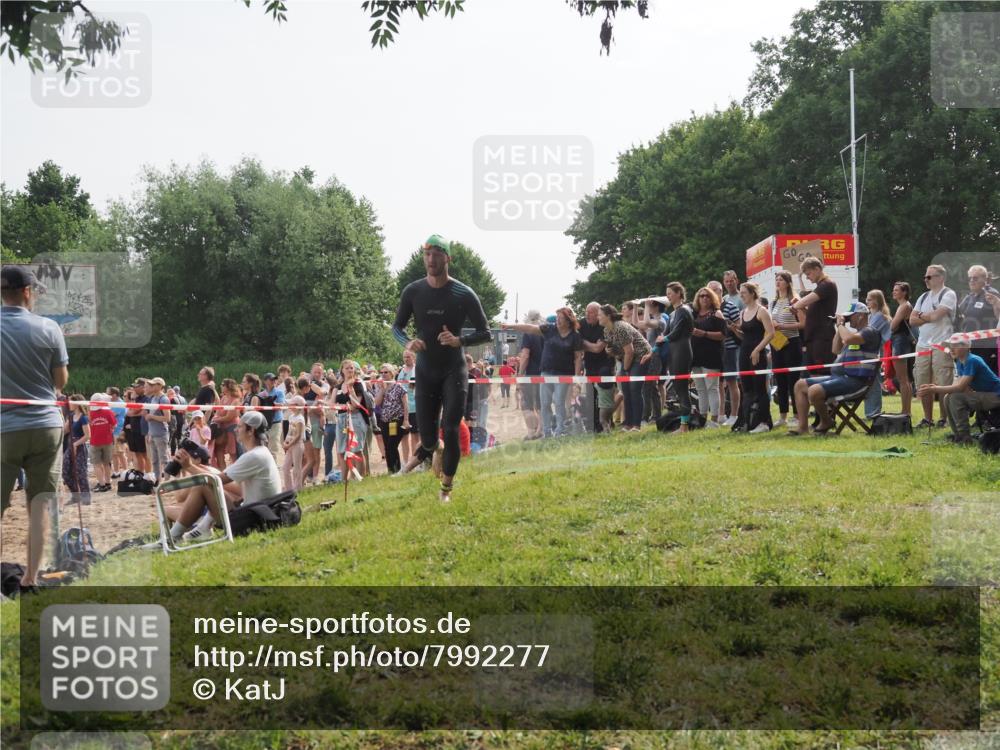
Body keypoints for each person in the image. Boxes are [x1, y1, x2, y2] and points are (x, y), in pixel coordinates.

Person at [393, 234, 491, 502]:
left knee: (450, 426)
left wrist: (460, 340)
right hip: (425, 371)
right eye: (427, 254)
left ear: (448, 258)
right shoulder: (413, 291)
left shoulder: (463, 293)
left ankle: (446, 489)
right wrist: (408, 341)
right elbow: (397, 327)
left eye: (437, 254)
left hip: (453, 369)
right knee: (427, 438)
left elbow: (486, 333)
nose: (431, 259)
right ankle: (435, 450)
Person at [1, 266, 69, 587]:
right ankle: (31, 579)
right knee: (39, 505)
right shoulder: (49, 327)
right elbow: (60, 381)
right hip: (45, 424)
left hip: (4, 427)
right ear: (27, 292)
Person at [166, 411, 282, 542]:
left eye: (240, 426)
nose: (236, 429)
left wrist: (189, 467)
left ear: (251, 431)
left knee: (204, 485)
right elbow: (229, 485)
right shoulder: (261, 452)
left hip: (253, 519)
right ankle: (202, 528)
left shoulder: (253, 456)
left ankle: (173, 537)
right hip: (262, 512)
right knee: (215, 487)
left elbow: (216, 480)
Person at [791, 302, 881, 435]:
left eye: (850, 316)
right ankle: (802, 427)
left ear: (861, 316)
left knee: (814, 391)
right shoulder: (855, 334)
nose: (848, 319)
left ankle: (826, 421)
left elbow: (849, 338)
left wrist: (840, 324)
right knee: (800, 385)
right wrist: (840, 327)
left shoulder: (870, 332)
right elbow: (835, 349)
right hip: (840, 377)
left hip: (856, 381)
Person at [502, 307, 583, 439]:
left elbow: (578, 357)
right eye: (557, 318)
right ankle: (547, 432)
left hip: (564, 374)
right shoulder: (549, 329)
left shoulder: (575, 336)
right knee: (544, 404)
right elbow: (530, 328)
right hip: (546, 373)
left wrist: (576, 377)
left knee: (559, 402)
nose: (557, 321)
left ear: (568, 321)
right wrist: (511, 325)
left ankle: (560, 430)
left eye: (561, 318)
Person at [921, 336, 1000, 445]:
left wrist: (934, 389)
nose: (952, 349)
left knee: (956, 397)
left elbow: (960, 387)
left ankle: (965, 438)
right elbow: (958, 386)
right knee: (948, 397)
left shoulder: (972, 360)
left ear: (967, 346)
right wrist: (935, 387)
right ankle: (958, 435)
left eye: (956, 345)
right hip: (989, 395)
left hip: (996, 396)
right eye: (951, 346)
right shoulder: (960, 361)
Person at [910, 264, 958, 427]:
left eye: (929, 277)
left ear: (941, 278)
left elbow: (937, 316)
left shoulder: (948, 294)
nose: (926, 279)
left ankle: (944, 419)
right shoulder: (923, 297)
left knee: (944, 382)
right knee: (922, 381)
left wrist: (922, 316)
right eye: (925, 276)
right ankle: (928, 419)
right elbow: (912, 320)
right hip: (923, 345)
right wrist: (927, 316)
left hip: (942, 343)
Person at [598, 304, 651, 432]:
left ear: (608, 316)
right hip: (627, 358)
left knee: (634, 389)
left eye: (600, 314)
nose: (597, 317)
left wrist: (625, 370)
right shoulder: (606, 330)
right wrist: (609, 351)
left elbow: (630, 351)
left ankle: (636, 425)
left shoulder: (620, 327)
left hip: (640, 357)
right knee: (626, 391)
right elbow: (617, 350)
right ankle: (628, 424)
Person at [735, 283, 775, 433]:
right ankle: (748, 420)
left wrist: (758, 350)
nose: (742, 295)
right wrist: (735, 330)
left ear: (752, 293)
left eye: (744, 293)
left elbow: (771, 333)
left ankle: (764, 422)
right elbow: (744, 336)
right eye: (741, 293)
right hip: (744, 352)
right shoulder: (743, 312)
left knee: (760, 388)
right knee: (747, 388)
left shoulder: (762, 311)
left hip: (757, 353)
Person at [770, 271, 805, 428]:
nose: (778, 282)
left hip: (792, 342)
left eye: (781, 279)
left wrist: (782, 326)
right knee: (780, 380)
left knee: (793, 380)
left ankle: (797, 415)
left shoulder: (795, 300)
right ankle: (783, 416)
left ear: (788, 283)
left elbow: (803, 324)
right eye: (776, 279)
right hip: (778, 343)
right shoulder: (774, 302)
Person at [792, 256, 838, 367]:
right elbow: (812, 314)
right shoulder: (820, 288)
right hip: (815, 338)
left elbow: (802, 302)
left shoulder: (826, 285)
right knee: (812, 375)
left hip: (822, 339)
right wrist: (800, 307)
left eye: (808, 274)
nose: (807, 278)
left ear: (817, 269)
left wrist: (795, 305)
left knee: (820, 375)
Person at [691, 287, 725, 426]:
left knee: (712, 387)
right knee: (700, 388)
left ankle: (714, 419)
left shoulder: (717, 314)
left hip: (712, 356)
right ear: (697, 299)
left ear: (712, 298)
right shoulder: (693, 314)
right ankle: (703, 418)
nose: (704, 298)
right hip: (696, 356)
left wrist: (704, 333)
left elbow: (723, 335)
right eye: (701, 296)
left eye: (707, 296)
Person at [957, 264, 1000, 375]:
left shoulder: (990, 293)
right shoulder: (969, 296)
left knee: (987, 379)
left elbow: (998, 316)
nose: (971, 280)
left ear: (985, 279)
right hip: (971, 345)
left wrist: (996, 304)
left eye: (975, 278)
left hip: (987, 347)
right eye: (970, 278)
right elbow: (958, 314)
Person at [664, 283, 695, 432]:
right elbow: (665, 334)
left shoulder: (684, 310)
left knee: (682, 389)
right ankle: (684, 423)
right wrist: (652, 351)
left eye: (670, 293)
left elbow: (675, 333)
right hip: (673, 352)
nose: (668, 296)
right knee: (677, 388)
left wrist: (662, 340)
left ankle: (684, 426)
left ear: (678, 293)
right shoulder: (672, 314)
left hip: (683, 351)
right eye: (667, 293)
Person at [332, 360, 370, 480]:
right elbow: (332, 404)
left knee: (357, 450)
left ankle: (360, 478)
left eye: (351, 368)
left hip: (356, 418)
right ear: (342, 370)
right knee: (342, 451)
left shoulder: (357, 384)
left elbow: (356, 405)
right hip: (341, 419)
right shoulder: (337, 387)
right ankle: (344, 480)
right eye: (347, 368)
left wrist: (351, 390)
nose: (350, 370)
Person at [579, 302, 612, 433]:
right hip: (589, 365)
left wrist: (584, 343)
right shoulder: (581, 323)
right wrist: (590, 345)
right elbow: (578, 342)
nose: (587, 314)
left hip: (605, 365)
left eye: (591, 312)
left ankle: (607, 422)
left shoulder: (604, 326)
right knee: (590, 396)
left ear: (598, 314)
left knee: (604, 396)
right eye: (586, 311)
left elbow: (598, 349)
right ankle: (592, 426)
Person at [633, 298, 667, 423]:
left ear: (656, 306)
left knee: (649, 387)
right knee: (649, 388)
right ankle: (653, 416)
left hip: (655, 357)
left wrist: (646, 304)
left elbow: (646, 322)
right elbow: (636, 323)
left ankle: (649, 416)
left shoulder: (661, 321)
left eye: (650, 305)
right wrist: (636, 306)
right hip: (649, 356)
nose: (648, 307)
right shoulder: (653, 321)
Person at [863, 290, 893, 419]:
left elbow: (869, 334)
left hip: (876, 352)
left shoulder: (880, 316)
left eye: (870, 299)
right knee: (871, 382)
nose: (867, 301)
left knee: (874, 382)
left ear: (876, 301)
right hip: (871, 352)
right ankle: (871, 411)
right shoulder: (872, 316)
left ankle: (873, 412)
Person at [719, 271, 744, 426]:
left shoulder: (741, 298)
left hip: (738, 345)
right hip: (724, 346)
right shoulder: (724, 299)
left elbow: (742, 324)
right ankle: (727, 412)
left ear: (737, 281)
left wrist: (733, 327)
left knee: (736, 381)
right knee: (725, 382)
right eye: (726, 281)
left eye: (731, 281)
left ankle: (737, 413)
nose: (729, 283)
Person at [375, 363, 409, 474]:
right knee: (387, 447)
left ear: (392, 373)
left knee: (392, 445)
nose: (383, 374)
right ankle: (391, 470)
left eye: (386, 372)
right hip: (384, 421)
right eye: (382, 372)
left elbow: (405, 405)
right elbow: (377, 403)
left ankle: (397, 469)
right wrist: (382, 390)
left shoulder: (399, 387)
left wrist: (406, 420)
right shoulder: (382, 387)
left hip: (396, 420)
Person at [516, 310, 545, 441]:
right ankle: (541, 429)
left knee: (526, 404)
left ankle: (532, 432)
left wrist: (520, 374)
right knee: (541, 403)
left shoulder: (529, 333)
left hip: (531, 374)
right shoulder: (546, 331)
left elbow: (525, 355)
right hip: (546, 372)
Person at [889, 282, 916, 417]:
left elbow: (893, 326)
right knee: (904, 379)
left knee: (903, 379)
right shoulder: (903, 306)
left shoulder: (904, 306)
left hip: (900, 341)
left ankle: (906, 411)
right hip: (902, 341)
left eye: (896, 290)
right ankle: (906, 411)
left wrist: (890, 321)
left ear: (904, 292)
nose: (893, 292)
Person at [62, 394, 91, 506]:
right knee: (65, 472)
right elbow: (65, 430)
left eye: (71, 402)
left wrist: (76, 444)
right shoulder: (71, 415)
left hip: (79, 446)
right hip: (70, 445)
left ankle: (86, 498)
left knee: (80, 472)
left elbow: (88, 435)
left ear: (77, 403)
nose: (69, 404)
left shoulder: (83, 417)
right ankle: (75, 496)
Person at [142, 377, 172, 482]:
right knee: (154, 460)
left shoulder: (163, 399)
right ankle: (157, 481)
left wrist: (151, 417)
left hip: (161, 433)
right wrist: (149, 433)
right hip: (153, 433)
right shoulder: (153, 398)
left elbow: (167, 418)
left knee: (164, 459)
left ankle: (167, 481)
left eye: (154, 384)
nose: (152, 386)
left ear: (159, 386)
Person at [211, 378, 242, 469]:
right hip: (221, 429)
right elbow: (217, 412)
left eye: (223, 385)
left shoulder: (235, 400)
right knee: (218, 451)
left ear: (229, 387)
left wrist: (216, 419)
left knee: (233, 453)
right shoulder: (223, 398)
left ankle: (238, 475)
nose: (221, 386)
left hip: (232, 428)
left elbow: (229, 417)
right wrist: (216, 418)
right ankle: (222, 474)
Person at [88, 393, 116, 493]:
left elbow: (89, 425)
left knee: (97, 464)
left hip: (95, 441)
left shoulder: (90, 413)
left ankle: (102, 484)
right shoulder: (108, 412)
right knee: (106, 463)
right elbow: (114, 424)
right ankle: (108, 483)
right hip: (107, 440)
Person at [124, 378, 150, 475]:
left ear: (143, 387)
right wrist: (133, 400)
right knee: (137, 453)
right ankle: (140, 473)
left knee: (145, 454)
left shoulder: (146, 398)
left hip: (141, 430)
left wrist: (133, 413)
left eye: (136, 387)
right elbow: (129, 412)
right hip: (134, 429)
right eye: (134, 387)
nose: (134, 389)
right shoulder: (136, 398)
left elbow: (133, 412)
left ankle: (148, 474)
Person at [397, 349, 418, 462]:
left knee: (415, 436)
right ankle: (405, 462)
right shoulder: (401, 371)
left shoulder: (417, 370)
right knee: (404, 437)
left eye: (408, 357)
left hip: (414, 407)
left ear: (413, 357)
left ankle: (415, 461)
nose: (406, 359)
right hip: (402, 409)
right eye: (404, 357)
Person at [282, 395, 307, 490]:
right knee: (285, 467)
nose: (289, 406)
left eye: (291, 404)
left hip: (297, 445)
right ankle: (289, 489)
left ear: (297, 406)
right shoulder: (291, 416)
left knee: (297, 468)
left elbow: (298, 436)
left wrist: (289, 445)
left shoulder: (300, 419)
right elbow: (290, 431)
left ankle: (297, 489)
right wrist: (285, 442)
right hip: (290, 444)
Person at [260, 372, 285, 462]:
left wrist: (269, 403)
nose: (274, 381)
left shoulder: (279, 392)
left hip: (276, 422)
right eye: (271, 379)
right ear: (265, 381)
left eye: (274, 379)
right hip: (265, 423)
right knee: (263, 447)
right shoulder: (262, 394)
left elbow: (281, 406)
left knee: (273, 448)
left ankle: (273, 467)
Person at [106, 386, 128, 479]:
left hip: (118, 431)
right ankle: (116, 471)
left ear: (114, 395)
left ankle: (126, 471)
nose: (107, 396)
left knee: (120, 452)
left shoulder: (119, 404)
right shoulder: (113, 403)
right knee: (114, 453)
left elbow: (111, 415)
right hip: (113, 431)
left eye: (108, 394)